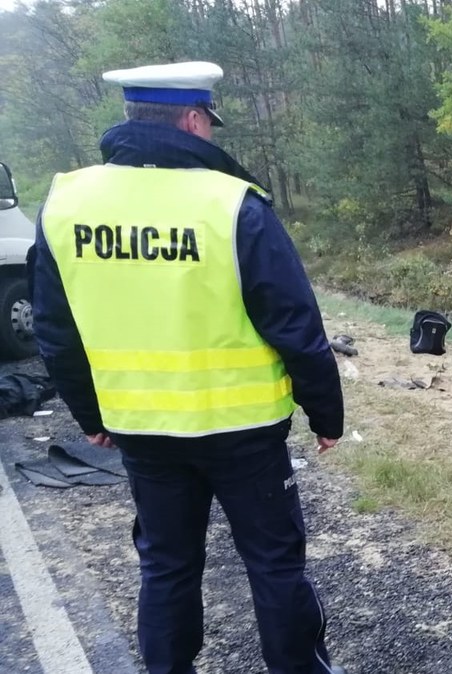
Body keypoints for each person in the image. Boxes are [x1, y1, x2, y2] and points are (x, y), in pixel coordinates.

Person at [27, 61, 348, 674]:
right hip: (245, 430)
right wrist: (325, 414)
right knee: (275, 565)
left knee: (167, 566)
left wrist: (90, 413)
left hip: (143, 430)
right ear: (195, 119)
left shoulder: (67, 203)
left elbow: (54, 329)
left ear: (131, 117)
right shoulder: (232, 205)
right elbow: (296, 325)